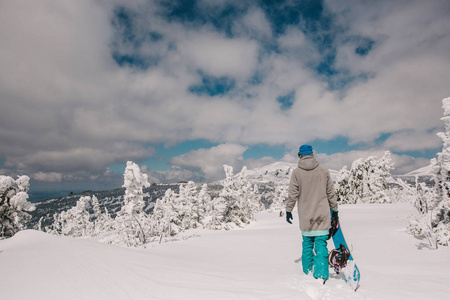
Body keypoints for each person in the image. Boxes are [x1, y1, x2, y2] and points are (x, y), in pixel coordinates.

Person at [285, 144, 338, 282]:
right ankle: (321, 274)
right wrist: (335, 210)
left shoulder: (297, 173)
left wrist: (288, 210)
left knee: (307, 244)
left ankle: (307, 272)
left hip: (306, 217)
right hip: (322, 215)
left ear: (300, 155)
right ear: (312, 154)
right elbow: (331, 193)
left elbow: (293, 193)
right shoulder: (324, 171)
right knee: (321, 244)